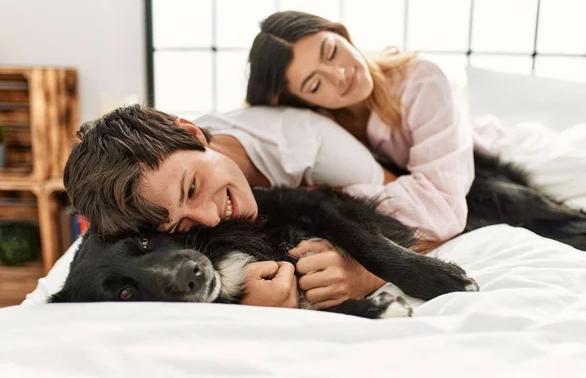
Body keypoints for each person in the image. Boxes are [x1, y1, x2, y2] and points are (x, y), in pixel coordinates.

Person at [51, 104, 399, 310]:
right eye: (175, 226)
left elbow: (432, 216)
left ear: (192, 134)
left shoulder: (314, 148)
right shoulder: (156, 198)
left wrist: (364, 272)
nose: (209, 218)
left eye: (192, 187)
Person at [245, 10, 485, 307]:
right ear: (303, 100)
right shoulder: (311, 129)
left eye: (331, 52)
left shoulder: (422, 81)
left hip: (480, 155)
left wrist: (330, 197)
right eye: (315, 85)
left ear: (341, 33)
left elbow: (444, 211)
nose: (339, 75)